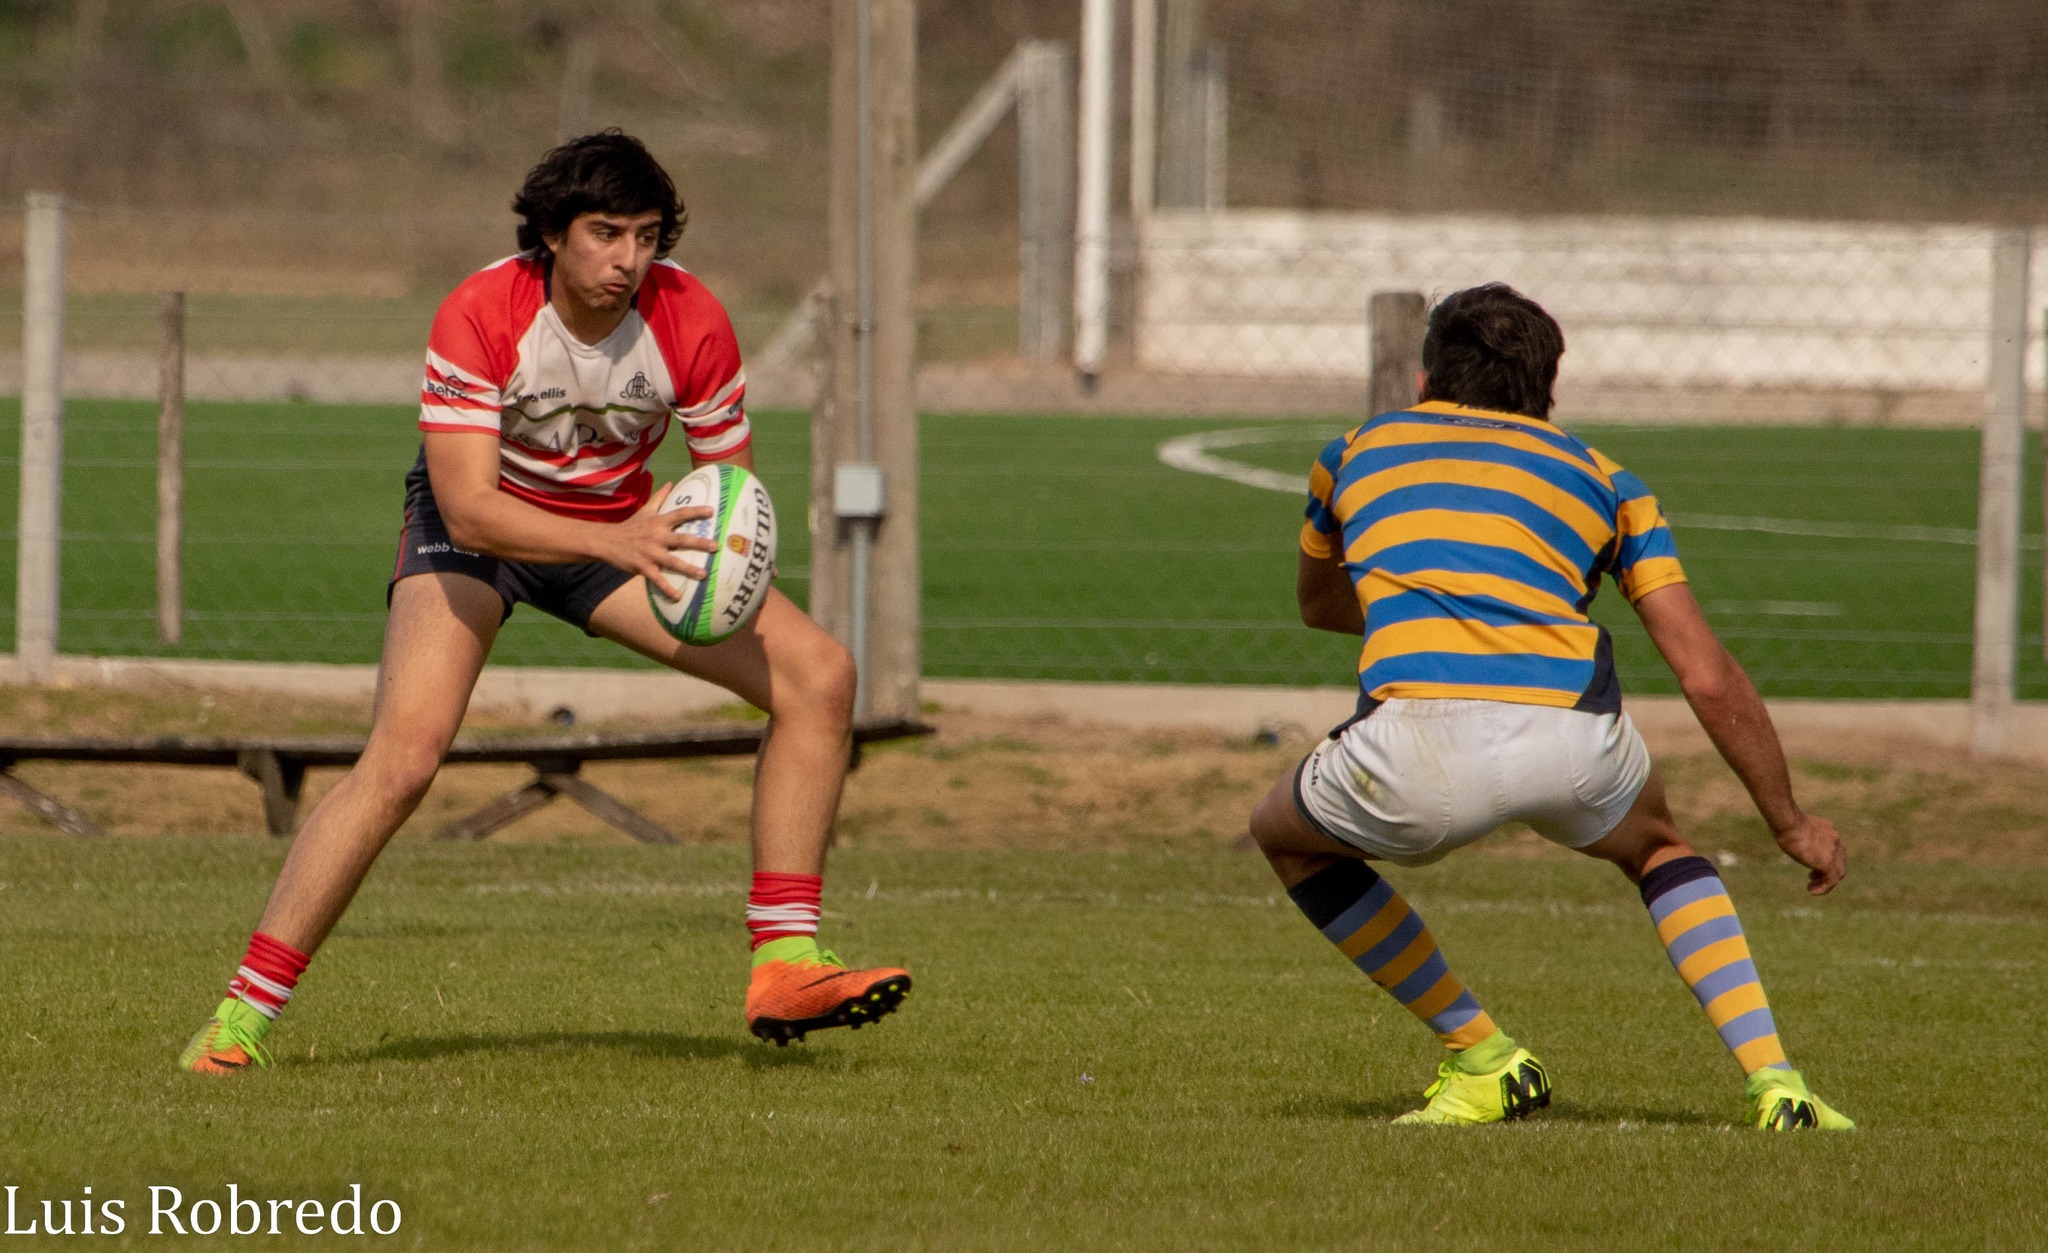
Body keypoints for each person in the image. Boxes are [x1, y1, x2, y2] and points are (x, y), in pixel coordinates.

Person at [179, 131, 909, 1073]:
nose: (628, 260)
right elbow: (472, 508)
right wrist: (619, 540)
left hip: (622, 533)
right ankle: (240, 1019)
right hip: (480, 531)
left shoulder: (691, 318)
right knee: (404, 759)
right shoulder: (480, 312)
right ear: (551, 234)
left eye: (646, 236)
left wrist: (706, 566)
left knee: (820, 676)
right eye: (605, 233)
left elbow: (730, 494)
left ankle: (785, 963)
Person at [1247, 283, 1852, 1130]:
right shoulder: (1609, 479)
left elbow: (1320, 604)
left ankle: (1484, 1055)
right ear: (1548, 390)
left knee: (1283, 833)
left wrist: (1427, 607)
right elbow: (1706, 673)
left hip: (1412, 748)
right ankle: (1778, 1083)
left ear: (1426, 376)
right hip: (1573, 735)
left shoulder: (1353, 451)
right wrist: (1788, 822)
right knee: (1661, 848)